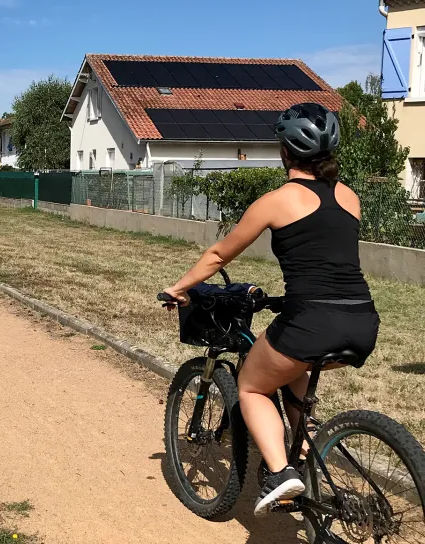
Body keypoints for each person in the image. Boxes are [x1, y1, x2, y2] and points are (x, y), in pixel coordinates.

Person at [162, 103, 379, 515]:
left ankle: (281, 473)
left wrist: (178, 288)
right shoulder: (349, 196)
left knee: (250, 385)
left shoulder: (277, 200)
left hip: (312, 322)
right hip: (362, 320)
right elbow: (325, 261)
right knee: (291, 368)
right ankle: (302, 452)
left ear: (285, 151)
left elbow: (217, 255)